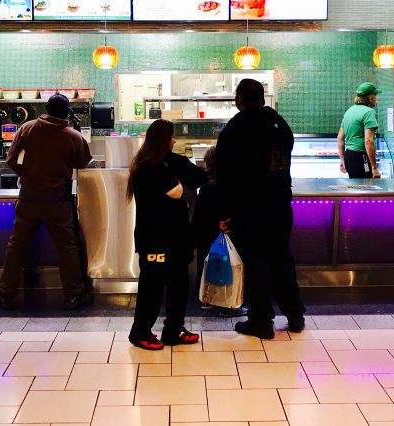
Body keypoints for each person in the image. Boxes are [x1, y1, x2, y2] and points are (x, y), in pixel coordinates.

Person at [216, 78, 305, 340]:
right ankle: (295, 315)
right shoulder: (280, 124)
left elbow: (225, 175)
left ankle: (260, 321)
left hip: (250, 208)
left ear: (239, 100)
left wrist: (224, 212)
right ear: (263, 98)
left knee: (256, 262)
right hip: (280, 205)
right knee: (282, 259)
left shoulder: (236, 127)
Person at [0, 94, 93, 311]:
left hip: (28, 199)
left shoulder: (27, 128)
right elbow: (83, 163)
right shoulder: (72, 135)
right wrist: (77, 132)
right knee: (66, 247)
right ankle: (73, 296)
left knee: (16, 246)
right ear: (67, 112)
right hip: (57, 201)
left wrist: (28, 175)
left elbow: (10, 160)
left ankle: (6, 295)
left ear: (46, 109)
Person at [127, 119, 208, 350]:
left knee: (179, 283)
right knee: (152, 287)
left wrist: (180, 172)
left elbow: (198, 178)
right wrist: (180, 177)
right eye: (171, 136)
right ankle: (140, 332)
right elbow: (177, 189)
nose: (174, 140)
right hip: (155, 238)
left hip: (176, 237)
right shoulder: (147, 167)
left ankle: (174, 329)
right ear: (163, 140)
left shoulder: (167, 161)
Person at [192, 145, 247, 317]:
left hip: (205, 235)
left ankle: (207, 299)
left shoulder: (204, 186)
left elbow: (199, 215)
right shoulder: (229, 185)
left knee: (206, 264)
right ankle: (227, 304)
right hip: (224, 234)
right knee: (227, 267)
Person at [338, 82, 382, 179]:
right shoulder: (369, 112)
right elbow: (368, 141)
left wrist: (342, 160)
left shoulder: (349, 111)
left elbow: (340, 138)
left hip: (349, 156)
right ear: (371, 97)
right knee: (366, 187)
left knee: (355, 187)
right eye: (375, 96)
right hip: (362, 157)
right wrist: (374, 168)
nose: (377, 99)